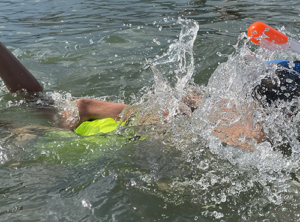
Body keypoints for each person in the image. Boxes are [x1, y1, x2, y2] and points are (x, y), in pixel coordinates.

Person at [0, 41, 299, 151]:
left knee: (40, 105)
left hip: (137, 123)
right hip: (122, 129)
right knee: (35, 122)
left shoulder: (240, 117)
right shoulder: (253, 136)